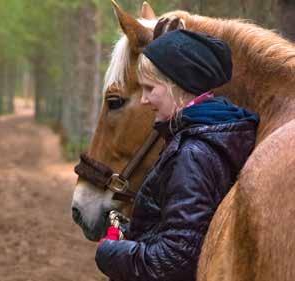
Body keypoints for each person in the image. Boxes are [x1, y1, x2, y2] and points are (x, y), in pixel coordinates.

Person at [95, 29, 259, 281]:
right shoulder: (209, 134)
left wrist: (109, 253)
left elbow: (175, 258)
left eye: (150, 88)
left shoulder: (194, 153)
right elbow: (183, 228)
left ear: (178, 88)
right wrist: (128, 233)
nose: (145, 100)